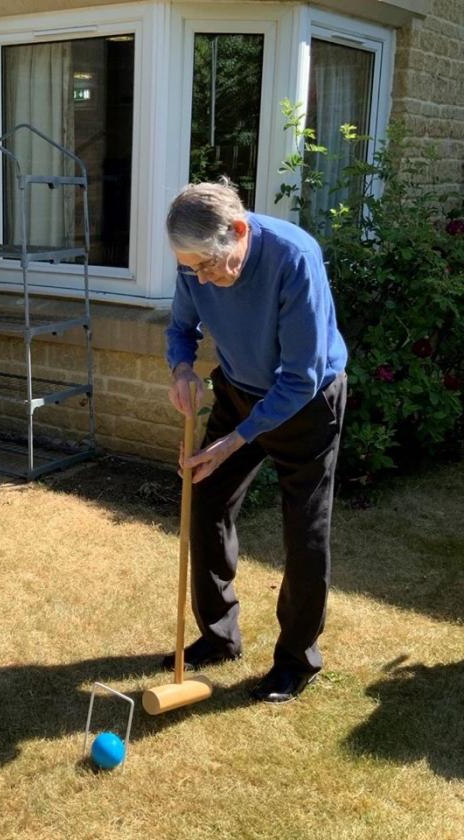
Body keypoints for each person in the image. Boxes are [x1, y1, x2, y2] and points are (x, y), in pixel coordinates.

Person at [163, 178, 348, 703]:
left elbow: (300, 376)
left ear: (239, 230)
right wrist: (181, 370)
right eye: (190, 267)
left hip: (306, 402)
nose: (200, 277)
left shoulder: (294, 257)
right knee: (204, 500)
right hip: (239, 389)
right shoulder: (193, 263)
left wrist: (235, 441)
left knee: (304, 532)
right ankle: (219, 636)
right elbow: (181, 328)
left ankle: (296, 661)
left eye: (207, 265)